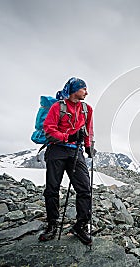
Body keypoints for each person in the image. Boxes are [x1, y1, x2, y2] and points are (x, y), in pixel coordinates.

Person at [38, 77, 94, 245]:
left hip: (76, 151)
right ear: (74, 90)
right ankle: (52, 225)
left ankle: (81, 225)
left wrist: (88, 146)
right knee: (52, 189)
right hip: (57, 149)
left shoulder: (87, 109)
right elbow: (49, 129)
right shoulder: (58, 107)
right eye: (84, 88)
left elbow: (88, 130)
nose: (87, 92)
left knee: (84, 188)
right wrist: (68, 136)